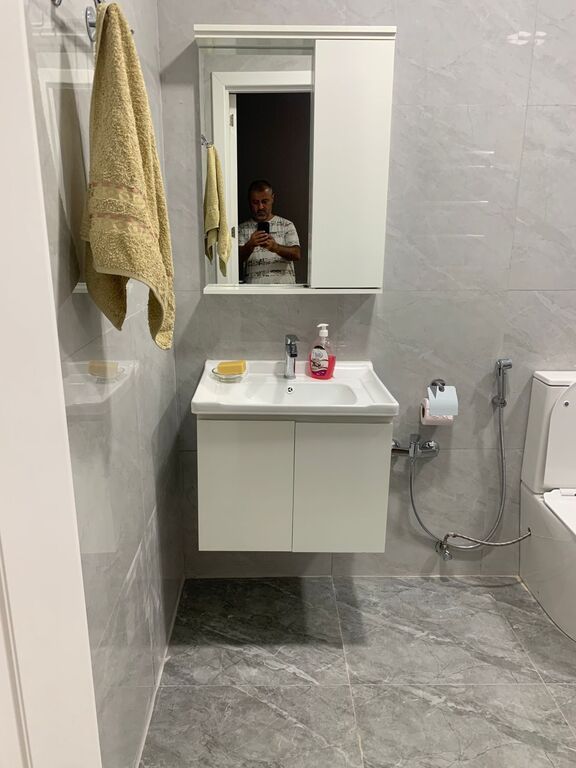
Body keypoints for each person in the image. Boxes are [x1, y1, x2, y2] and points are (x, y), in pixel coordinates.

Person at [238, 180, 300, 284]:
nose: (260, 207)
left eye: (265, 201)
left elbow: (296, 254)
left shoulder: (286, 225)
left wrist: (276, 247)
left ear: (272, 199)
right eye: (255, 202)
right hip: (253, 291)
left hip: (284, 290)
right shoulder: (241, 229)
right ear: (249, 201)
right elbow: (234, 261)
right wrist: (250, 245)